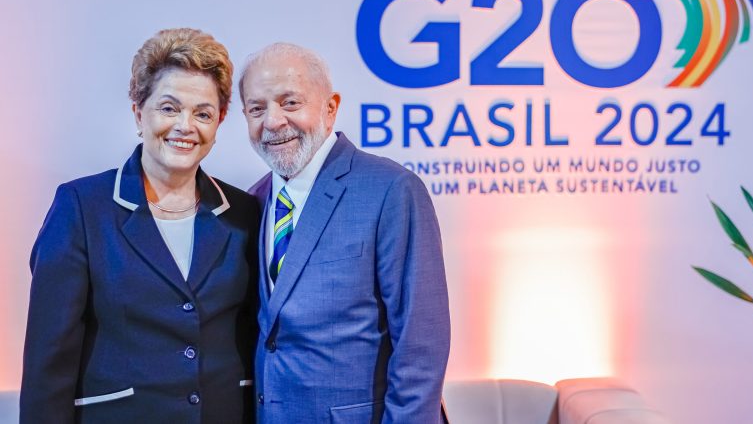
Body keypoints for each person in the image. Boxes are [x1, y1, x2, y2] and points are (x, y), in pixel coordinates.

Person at [21, 28, 260, 423]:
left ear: (218, 123)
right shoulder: (81, 207)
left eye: (202, 113)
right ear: (138, 113)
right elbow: (49, 360)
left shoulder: (244, 211)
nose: (186, 126)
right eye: (169, 108)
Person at [240, 42, 450, 424]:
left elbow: (421, 344)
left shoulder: (390, 189)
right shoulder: (254, 201)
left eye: (290, 103)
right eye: (257, 108)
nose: (272, 122)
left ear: (331, 107)